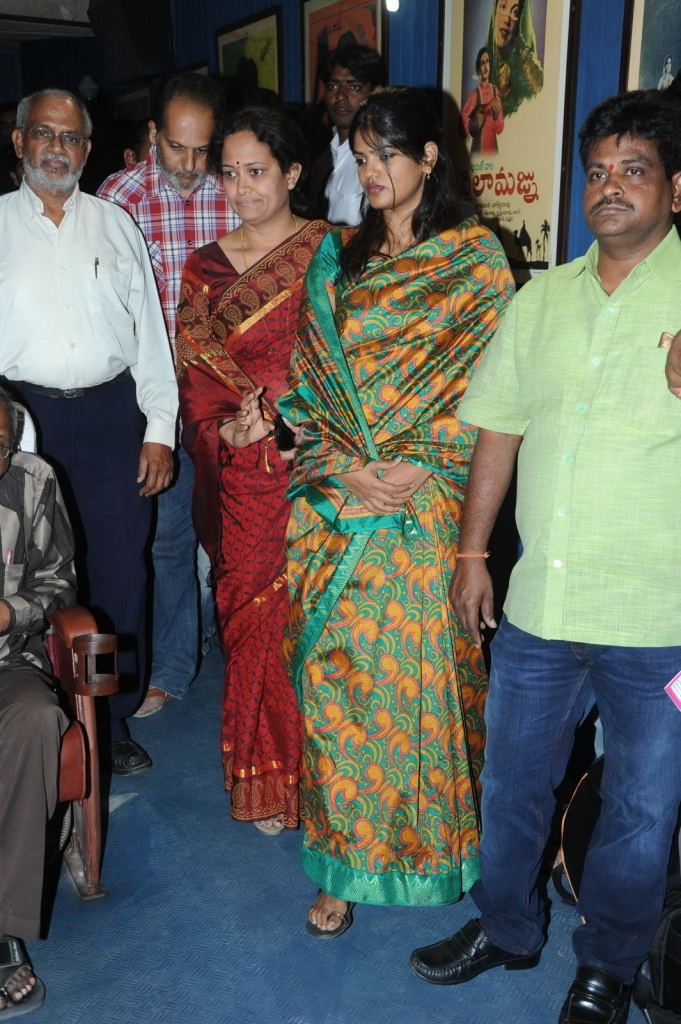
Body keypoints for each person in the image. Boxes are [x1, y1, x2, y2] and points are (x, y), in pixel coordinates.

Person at [409, 89, 681, 1024]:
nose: (609, 189)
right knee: (510, 782)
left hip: (660, 621)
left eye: (632, 171)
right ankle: (508, 928)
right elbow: (496, 431)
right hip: (538, 610)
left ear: (674, 189)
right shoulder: (543, 300)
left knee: (643, 812)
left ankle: (606, 963)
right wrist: (472, 550)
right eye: (596, 172)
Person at [279, 86, 514, 936]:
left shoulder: (476, 260)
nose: (370, 170)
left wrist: (419, 462)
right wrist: (343, 468)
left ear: (429, 157)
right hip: (337, 504)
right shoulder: (335, 260)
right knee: (337, 686)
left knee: (419, 687)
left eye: (385, 153)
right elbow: (308, 386)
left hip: (429, 501)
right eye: (359, 153)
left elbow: (496, 390)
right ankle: (340, 863)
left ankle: (427, 853)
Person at [0, 88, 178, 775]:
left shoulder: (116, 224)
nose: (57, 148)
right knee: (32, 573)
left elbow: (150, 340)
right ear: (18, 143)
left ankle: (112, 717)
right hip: (17, 421)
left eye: (71, 138)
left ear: (88, 148)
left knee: (117, 572)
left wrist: (159, 429)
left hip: (111, 416)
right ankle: (40, 708)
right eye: (43, 134)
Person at [175, 106, 329, 833]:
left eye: (256, 172)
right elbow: (195, 380)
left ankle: (327, 776)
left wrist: (292, 422)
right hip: (243, 476)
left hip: (323, 467)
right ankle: (267, 777)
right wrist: (231, 433)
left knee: (321, 622)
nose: (240, 189)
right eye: (229, 174)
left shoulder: (334, 253)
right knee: (252, 623)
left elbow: (351, 362)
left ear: (293, 173)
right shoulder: (203, 267)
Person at [98, 73, 238, 718]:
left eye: (200, 151)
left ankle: (189, 663)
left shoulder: (232, 194)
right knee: (150, 535)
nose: (188, 165)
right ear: (153, 134)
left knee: (202, 538)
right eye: (176, 147)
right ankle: (157, 666)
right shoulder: (116, 198)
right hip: (142, 396)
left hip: (218, 396)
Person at [0, 387, 77, 1019]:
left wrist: (9, 611)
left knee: (37, 716)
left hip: (6, 660)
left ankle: (3, 928)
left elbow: (58, 581)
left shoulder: (33, 481)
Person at [308, 43, 387, 224]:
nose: (340, 97)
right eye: (333, 86)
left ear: (375, 92)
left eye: (354, 87)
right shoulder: (321, 161)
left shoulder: (383, 160)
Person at [484, 0, 543, 117]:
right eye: (503, 7)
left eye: (515, 12)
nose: (506, 19)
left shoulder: (529, 73)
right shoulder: (485, 64)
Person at [461, 47, 505, 154]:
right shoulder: (474, 95)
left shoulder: (496, 92)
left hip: (493, 150)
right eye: (482, 63)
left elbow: (500, 129)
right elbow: (462, 125)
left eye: (487, 62)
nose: (485, 67)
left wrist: (497, 114)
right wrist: (473, 122)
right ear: (479, 68)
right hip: (478, 152)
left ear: (490, 65)